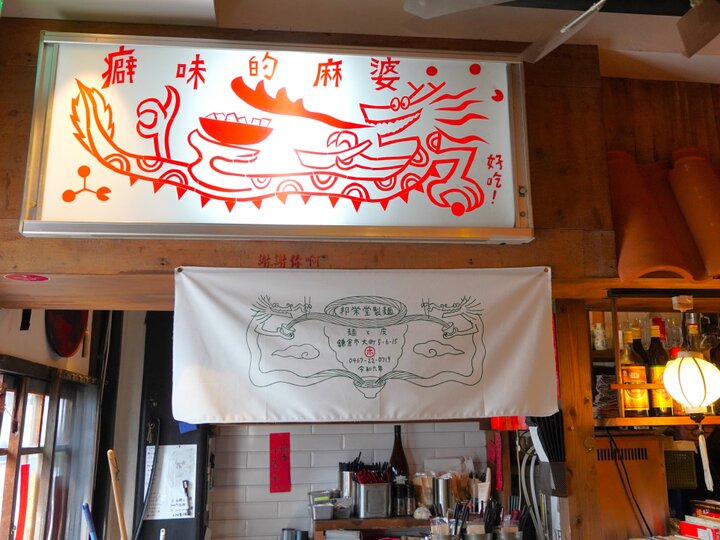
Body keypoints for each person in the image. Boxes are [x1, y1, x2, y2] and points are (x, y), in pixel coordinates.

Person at [669, 424, 720, 518]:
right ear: (675, 425)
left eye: (708, 426)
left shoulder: (715, 450)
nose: (698, 432)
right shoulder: (661, 448)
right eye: (691, 426)